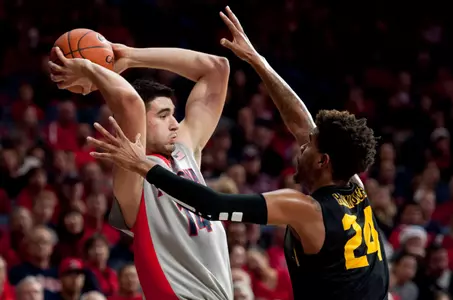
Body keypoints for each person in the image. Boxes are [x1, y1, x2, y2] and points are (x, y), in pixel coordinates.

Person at [87, 7, 389, 300]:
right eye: (164, 115)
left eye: (309, 147)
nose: (301, 147)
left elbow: (214, 204)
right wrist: (258, 62)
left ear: (324, 161)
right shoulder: (353, 187)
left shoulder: (306, 208)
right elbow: (301, 123)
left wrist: (144, 165)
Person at [48, 36, 232, 299]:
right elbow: (130, 104)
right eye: (163, 115)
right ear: (142, 127)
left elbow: (217, 68)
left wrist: (131, 56)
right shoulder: (133, 172)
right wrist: (91, 68)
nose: (175, 124)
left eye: (173, 113)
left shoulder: (184, 153)